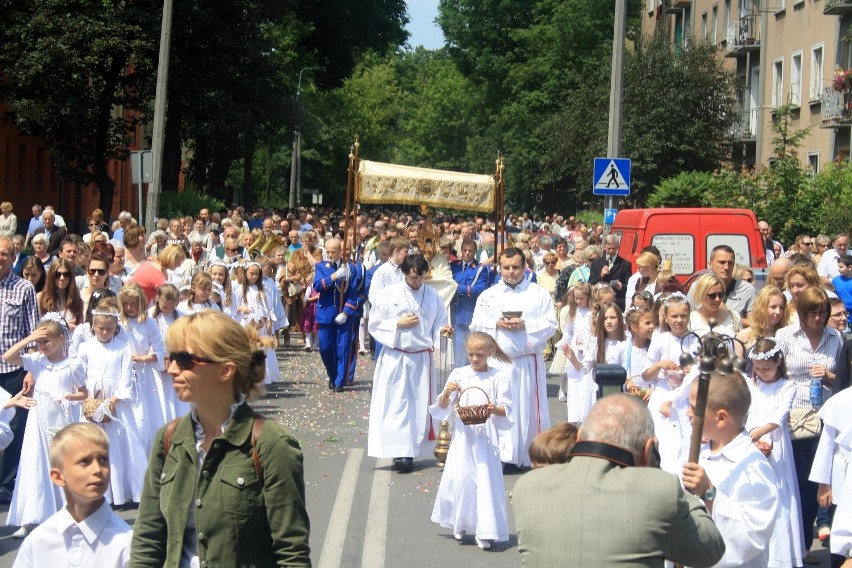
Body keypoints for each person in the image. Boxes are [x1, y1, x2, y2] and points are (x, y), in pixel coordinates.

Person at [129, 311, 311, 567]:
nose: (170, 368)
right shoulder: (169, 439)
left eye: (184, 360)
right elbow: (148, 540)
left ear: (225, 370)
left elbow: (291, 553)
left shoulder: (271, 444)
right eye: (171, 357)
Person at [514, 394, 726, 567]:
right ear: (647, 450)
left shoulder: (528, 486)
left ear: (580, 438)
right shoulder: (660, 490)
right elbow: (710, 551)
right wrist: (679, 485)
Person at [471, 247, 557, 469]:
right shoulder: (488, 296)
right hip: (498, 363)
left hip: (526, 362)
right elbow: (476, 326)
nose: (511, 272)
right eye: (506, 267)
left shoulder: (538, 294)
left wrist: (525, 324)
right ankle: (503, 456)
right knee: (501, 408)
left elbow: (550, 325)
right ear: (499, 268)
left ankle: (530, 455)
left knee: (526, 410)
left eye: (516, 267)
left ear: (525, 267)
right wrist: (495, 324)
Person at [682, 371, 779, 568]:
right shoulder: (696, 452)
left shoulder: (752, 467)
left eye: (694, 408)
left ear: (721, 418)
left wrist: (708, 492)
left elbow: (751, 536)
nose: (687, 413)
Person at [429, 332, 512, 550]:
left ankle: (485, 529)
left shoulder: (498, 377)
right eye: (471, 354)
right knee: (463, 477)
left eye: (480, 355)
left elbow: (507, 408)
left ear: (490, 353)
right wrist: (447, 393)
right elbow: (444, 406)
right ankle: (461, 522)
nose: (475, 359)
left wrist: (495, 409)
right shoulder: (459, 374)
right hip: (464, 437)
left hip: (486, 438)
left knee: (484, 480)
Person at [367, 254, 449, 472]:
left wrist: (444, 331)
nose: (417, 282)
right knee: (397, 405)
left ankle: (411, 450)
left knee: (417, 406)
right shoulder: (388, 294)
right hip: (396, 356)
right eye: (413, 277)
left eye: (421, 277)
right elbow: (374, 324)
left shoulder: (432, 296)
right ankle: (400, 452)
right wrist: (397, 324)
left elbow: (440, 322)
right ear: (404, 273)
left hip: (421, 358)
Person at [2, 314, 82, 537]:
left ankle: (65, 514)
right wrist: (30, 339)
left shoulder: (72, 364)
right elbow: (8, 357)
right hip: (38, 420)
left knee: (60, 464)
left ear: (60, 339)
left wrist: (69, 397)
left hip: (61, 420)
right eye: (40, 342)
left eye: (47, 341)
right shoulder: (37, 362)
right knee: (35, 464)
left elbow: (83, 393)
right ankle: (31, 517)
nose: (42, 345)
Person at [12, 423, 132, 568]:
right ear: (58, 477)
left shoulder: (126, 544)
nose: (97, 469)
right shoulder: (38, 542)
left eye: (103, 459)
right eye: (84, 462)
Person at [77, 305, 147, 506]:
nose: (105, 332)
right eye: (101, 328)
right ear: (94, 326)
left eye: (109, 328)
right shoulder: (86, 347)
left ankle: (121, 492)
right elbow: (80, 374)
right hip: (93, 401)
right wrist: (89, 398)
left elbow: (126, 376)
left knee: (118, 447)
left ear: (115, 327)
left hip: (116, 405)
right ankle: (99, 492)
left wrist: (113, 400)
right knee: (95, 446)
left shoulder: (123, 347)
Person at [744, 338, 805, 567]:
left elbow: (779, 417)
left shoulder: (787, 386)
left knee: (779, 494)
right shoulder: (751, 383)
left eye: (766, 369)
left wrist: (759, 433)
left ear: (778, 362)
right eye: (758, 369)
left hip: (774, 442)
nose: (761, 373)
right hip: (751, 438)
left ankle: (780, 556)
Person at [0, 237, 40, 505]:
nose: (0, 257)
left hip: (13, 371)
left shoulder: (23, 288)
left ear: (12, 256)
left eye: (4, 253)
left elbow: (34, 332)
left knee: (13, 429)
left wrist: (32, 369)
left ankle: (5, 483)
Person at [314, 238, 364, 392]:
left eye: (333, 251)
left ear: (340, 251)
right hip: (326, 313)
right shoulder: (321, 266)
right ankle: (333, 373)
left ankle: (339, 381)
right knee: (325, 348)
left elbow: (353, 293)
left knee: (343, 348)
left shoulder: (350, 268)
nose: (329, 254)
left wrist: (346, 312)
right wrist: (334, 276)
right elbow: (317, 285)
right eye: (327, 251)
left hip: (343, 315)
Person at [449, 239, 489, 368]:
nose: (467, 253)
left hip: (469, 313)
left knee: (471, 351)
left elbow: (480, 289)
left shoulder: (480, 269)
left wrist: (456, 287)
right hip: (455, 313)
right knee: (458, 352)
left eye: (470, 251)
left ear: (475, 252)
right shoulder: (453, 266)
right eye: (464, 250)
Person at [588, 234, 631, 310]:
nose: (611, 251)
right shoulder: (596, 263)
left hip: (617, 303)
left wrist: (622, 286)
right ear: (604, 247)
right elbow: (590, 283)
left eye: (613, 248)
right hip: (599, 304)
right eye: (609, 248)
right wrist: (600, 275)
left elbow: (629, 286)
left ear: (618, 247)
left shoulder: (625, 264)